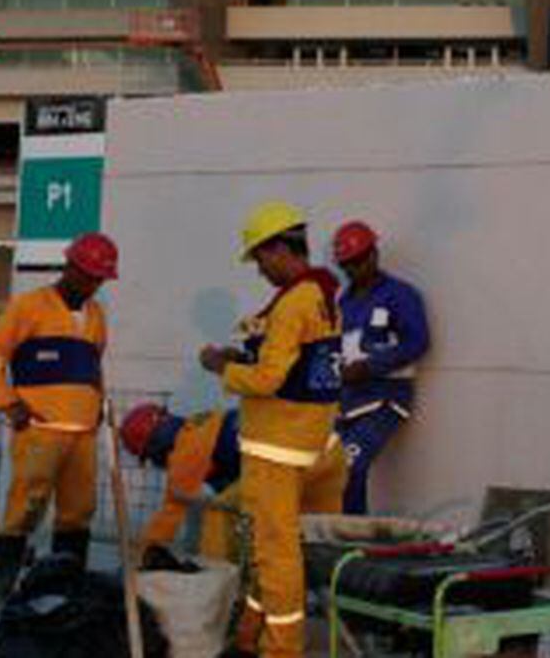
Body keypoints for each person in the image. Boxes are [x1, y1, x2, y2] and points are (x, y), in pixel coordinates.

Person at [198, 201, 342, 658]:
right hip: (317, 445)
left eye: (260, 259)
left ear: (278, 248)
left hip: (277, 450)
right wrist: (247, 357)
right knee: (280, 551)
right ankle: (250, 635)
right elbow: (295, 367)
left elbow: (268, 380)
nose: (260, 270)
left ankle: (281, 649)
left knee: (277, 557)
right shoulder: (322, 295)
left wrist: (221, 366)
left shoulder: (292, 304)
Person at [0, 232, 117, 598]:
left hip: (83, 432)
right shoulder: (29, 307)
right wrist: (6, 401)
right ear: (69, 267)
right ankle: (6, 589)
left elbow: (91, 366)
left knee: (79, 510)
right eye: (88, 276)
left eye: (99, 279)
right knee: (25, 507)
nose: (93, 285)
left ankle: (65, 588)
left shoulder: (96, 316)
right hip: (40, 429)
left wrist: (98, 403)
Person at [118, 402, 346, 568]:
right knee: (319, 537)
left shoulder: (185, 450)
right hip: (328, 451)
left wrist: (139, 558)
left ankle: (217, 584)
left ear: (155, 446)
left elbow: (170, 514)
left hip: (288, 459)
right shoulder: (204, 423)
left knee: (219, 512)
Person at [330, 221, 431, 515]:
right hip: (348, 404)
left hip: (386, 400)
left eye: (359, 261)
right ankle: (342, 534)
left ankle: (352, 540)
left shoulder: (400, 295)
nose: (353, 270)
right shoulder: (343, 301)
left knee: (350, 466)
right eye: (346, 265)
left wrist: (371, 366)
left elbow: (419, 342)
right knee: (330, 471)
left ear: (374, 254)